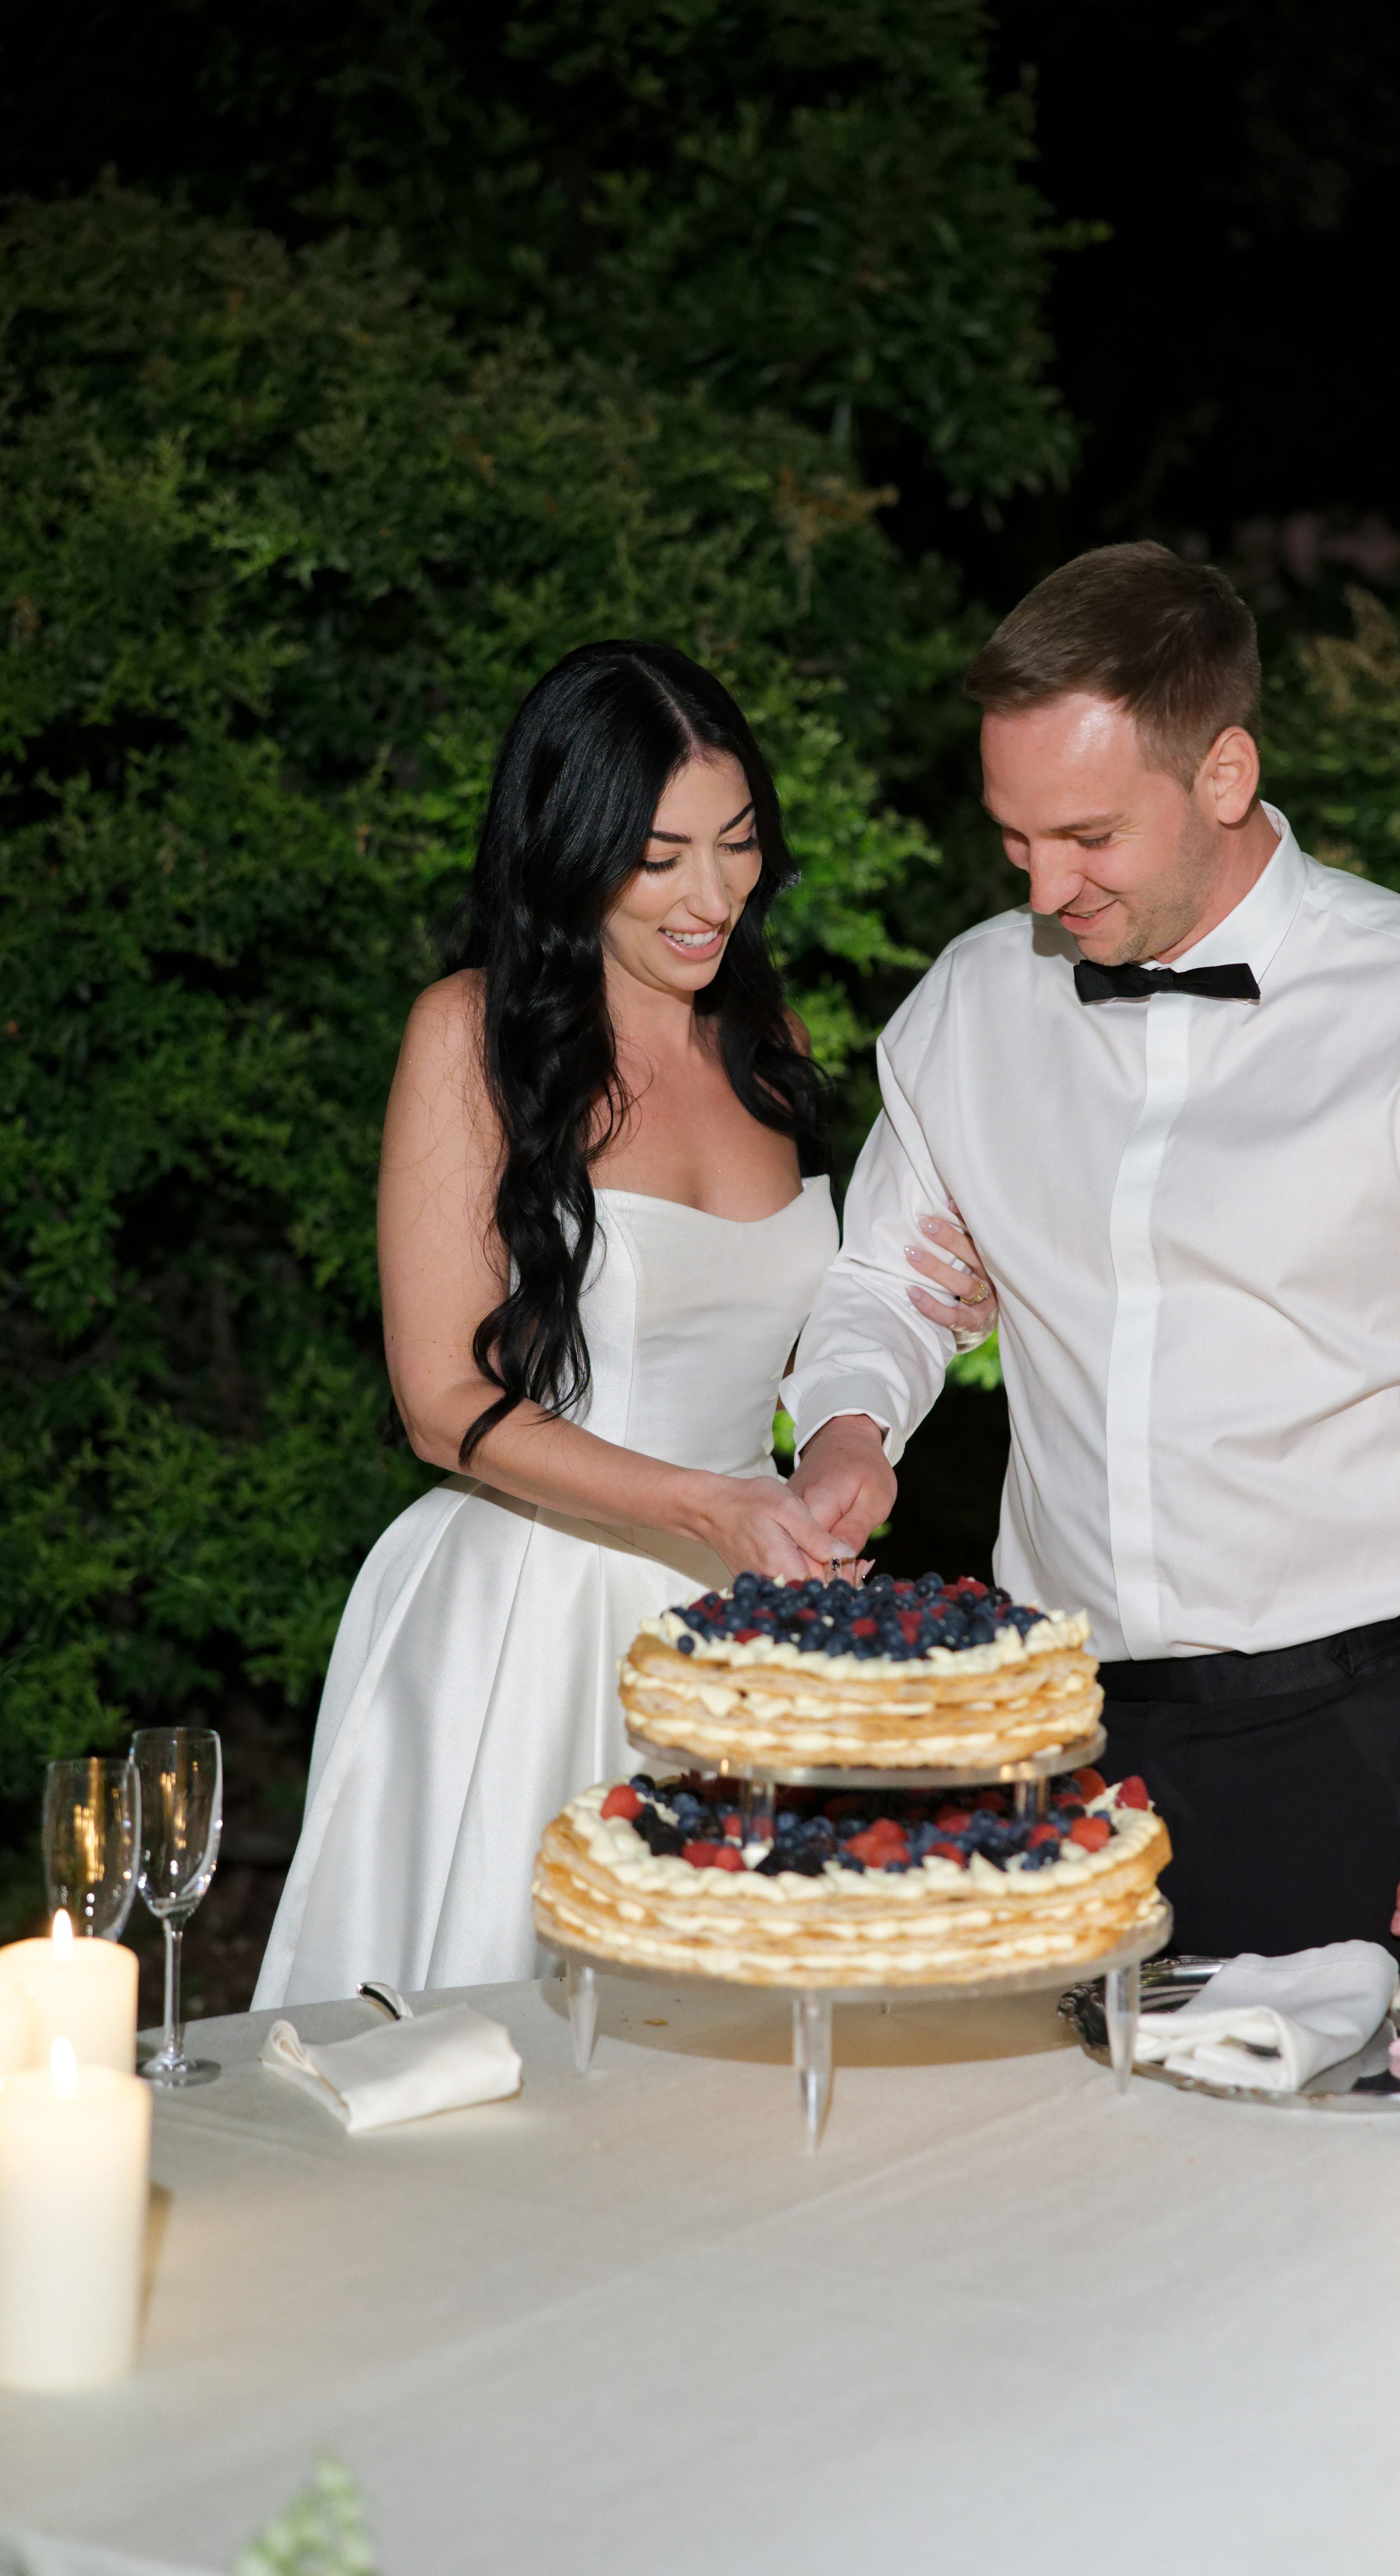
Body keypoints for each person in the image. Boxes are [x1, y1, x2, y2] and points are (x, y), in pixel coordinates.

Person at [783, 544, 1400, 1972]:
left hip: (1367, 1727)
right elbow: (886, 1279)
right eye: (1013, 843)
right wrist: (848, 1424)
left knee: (1362, 2185)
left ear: (1225, 776)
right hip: (1063, 1741)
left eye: (1089, 838)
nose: (1044, 886)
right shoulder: (970, 1006)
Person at [256, 642, 994, 2006]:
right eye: (661, 857)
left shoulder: (759, 1035)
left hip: (742, 1614)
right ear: (572, 848)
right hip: (527, 1612)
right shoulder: (470, 1036)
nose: (712, 895)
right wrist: (701, 1508)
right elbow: (438, 1403)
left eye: (738, 844)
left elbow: (802, 1329)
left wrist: (940, 1314)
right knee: (489, 2051)